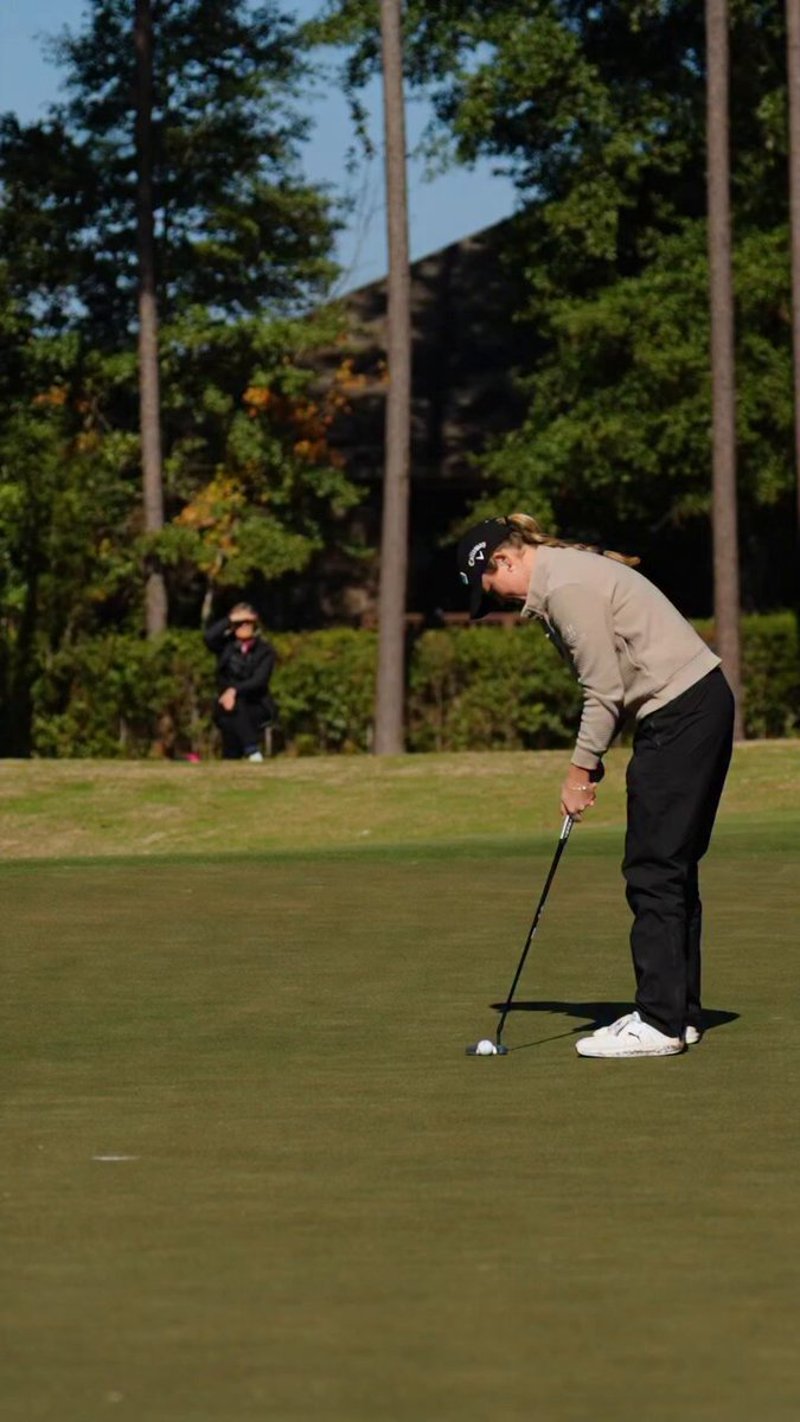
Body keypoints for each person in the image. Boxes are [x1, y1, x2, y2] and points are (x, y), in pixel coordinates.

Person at [456, 513, 735, 1058]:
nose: (501, 603)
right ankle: (677, 1014)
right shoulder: (564, 574)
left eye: (492, 589)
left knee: (654, 868)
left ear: (504, 560)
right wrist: (596, 759)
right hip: (693, 707)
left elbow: (603, 692)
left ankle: (659, 1022)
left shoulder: (565, 587)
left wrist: (579, 771)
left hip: (681, 714)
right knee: (670, 866)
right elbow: (618, 681)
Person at [203, 603, 277, 762]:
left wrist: (234, 690)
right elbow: (208, 637)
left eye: (247, 622)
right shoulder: (225, 646)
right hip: (226, 706)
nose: (244, 626)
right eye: (239, 623)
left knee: (235, 708)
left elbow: (259, 680)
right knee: (229, 716)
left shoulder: (265, 650)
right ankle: (242, 755)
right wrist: (231, 619)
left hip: (255, 704)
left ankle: (251, 750)